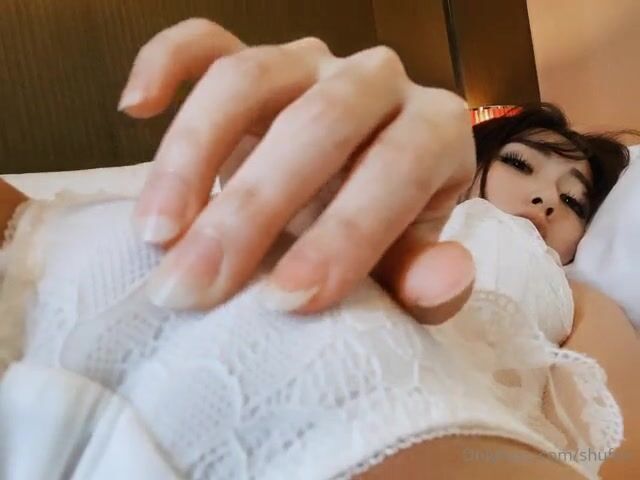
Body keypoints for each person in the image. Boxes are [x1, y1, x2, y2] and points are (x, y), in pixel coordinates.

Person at [0, 18, 639, 480]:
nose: (547, 199)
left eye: (575, 201)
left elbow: (615, 450)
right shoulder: (390, 202)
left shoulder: (579, 295)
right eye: (521, 164)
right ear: (474, 159)